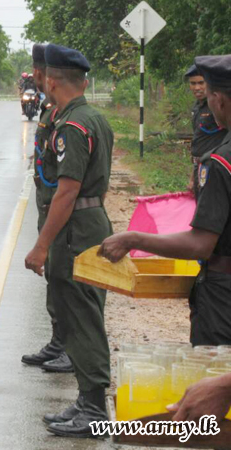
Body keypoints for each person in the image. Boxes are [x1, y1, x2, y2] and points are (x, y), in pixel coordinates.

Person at [99, 54, 231, 347]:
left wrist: (133, 239)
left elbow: (200, 243)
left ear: (219, 99)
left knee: (216, 381)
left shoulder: (221, 162)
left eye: (208, 94)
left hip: (224, 298)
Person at [24, 44, 113, 438]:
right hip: (85, 222)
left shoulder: (72, 126)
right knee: (78, 313)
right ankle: (85, 399)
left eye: (45, 76)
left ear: (54, 80)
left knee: (81, 315)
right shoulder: (90, 117)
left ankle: (94, 408)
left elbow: (66, 191)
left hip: (76, 226)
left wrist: (42, 244)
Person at [20, 44, 74, 374]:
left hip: (63, 208)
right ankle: (58, 339)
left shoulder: (68, 117)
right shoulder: (48, 110)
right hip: (47, 203)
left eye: (39, 71)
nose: (38, 77)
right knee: (54, 277)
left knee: (67, 280)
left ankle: (71, 345)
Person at [185, 64, 228, 197]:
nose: (197, 87)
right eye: (193, 83)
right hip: (200, 166)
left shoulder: (218, 105)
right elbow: (199, 142)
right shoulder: (197, 107)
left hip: (215, 167)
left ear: (209, 83)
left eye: (201, 83)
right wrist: (193, 175)